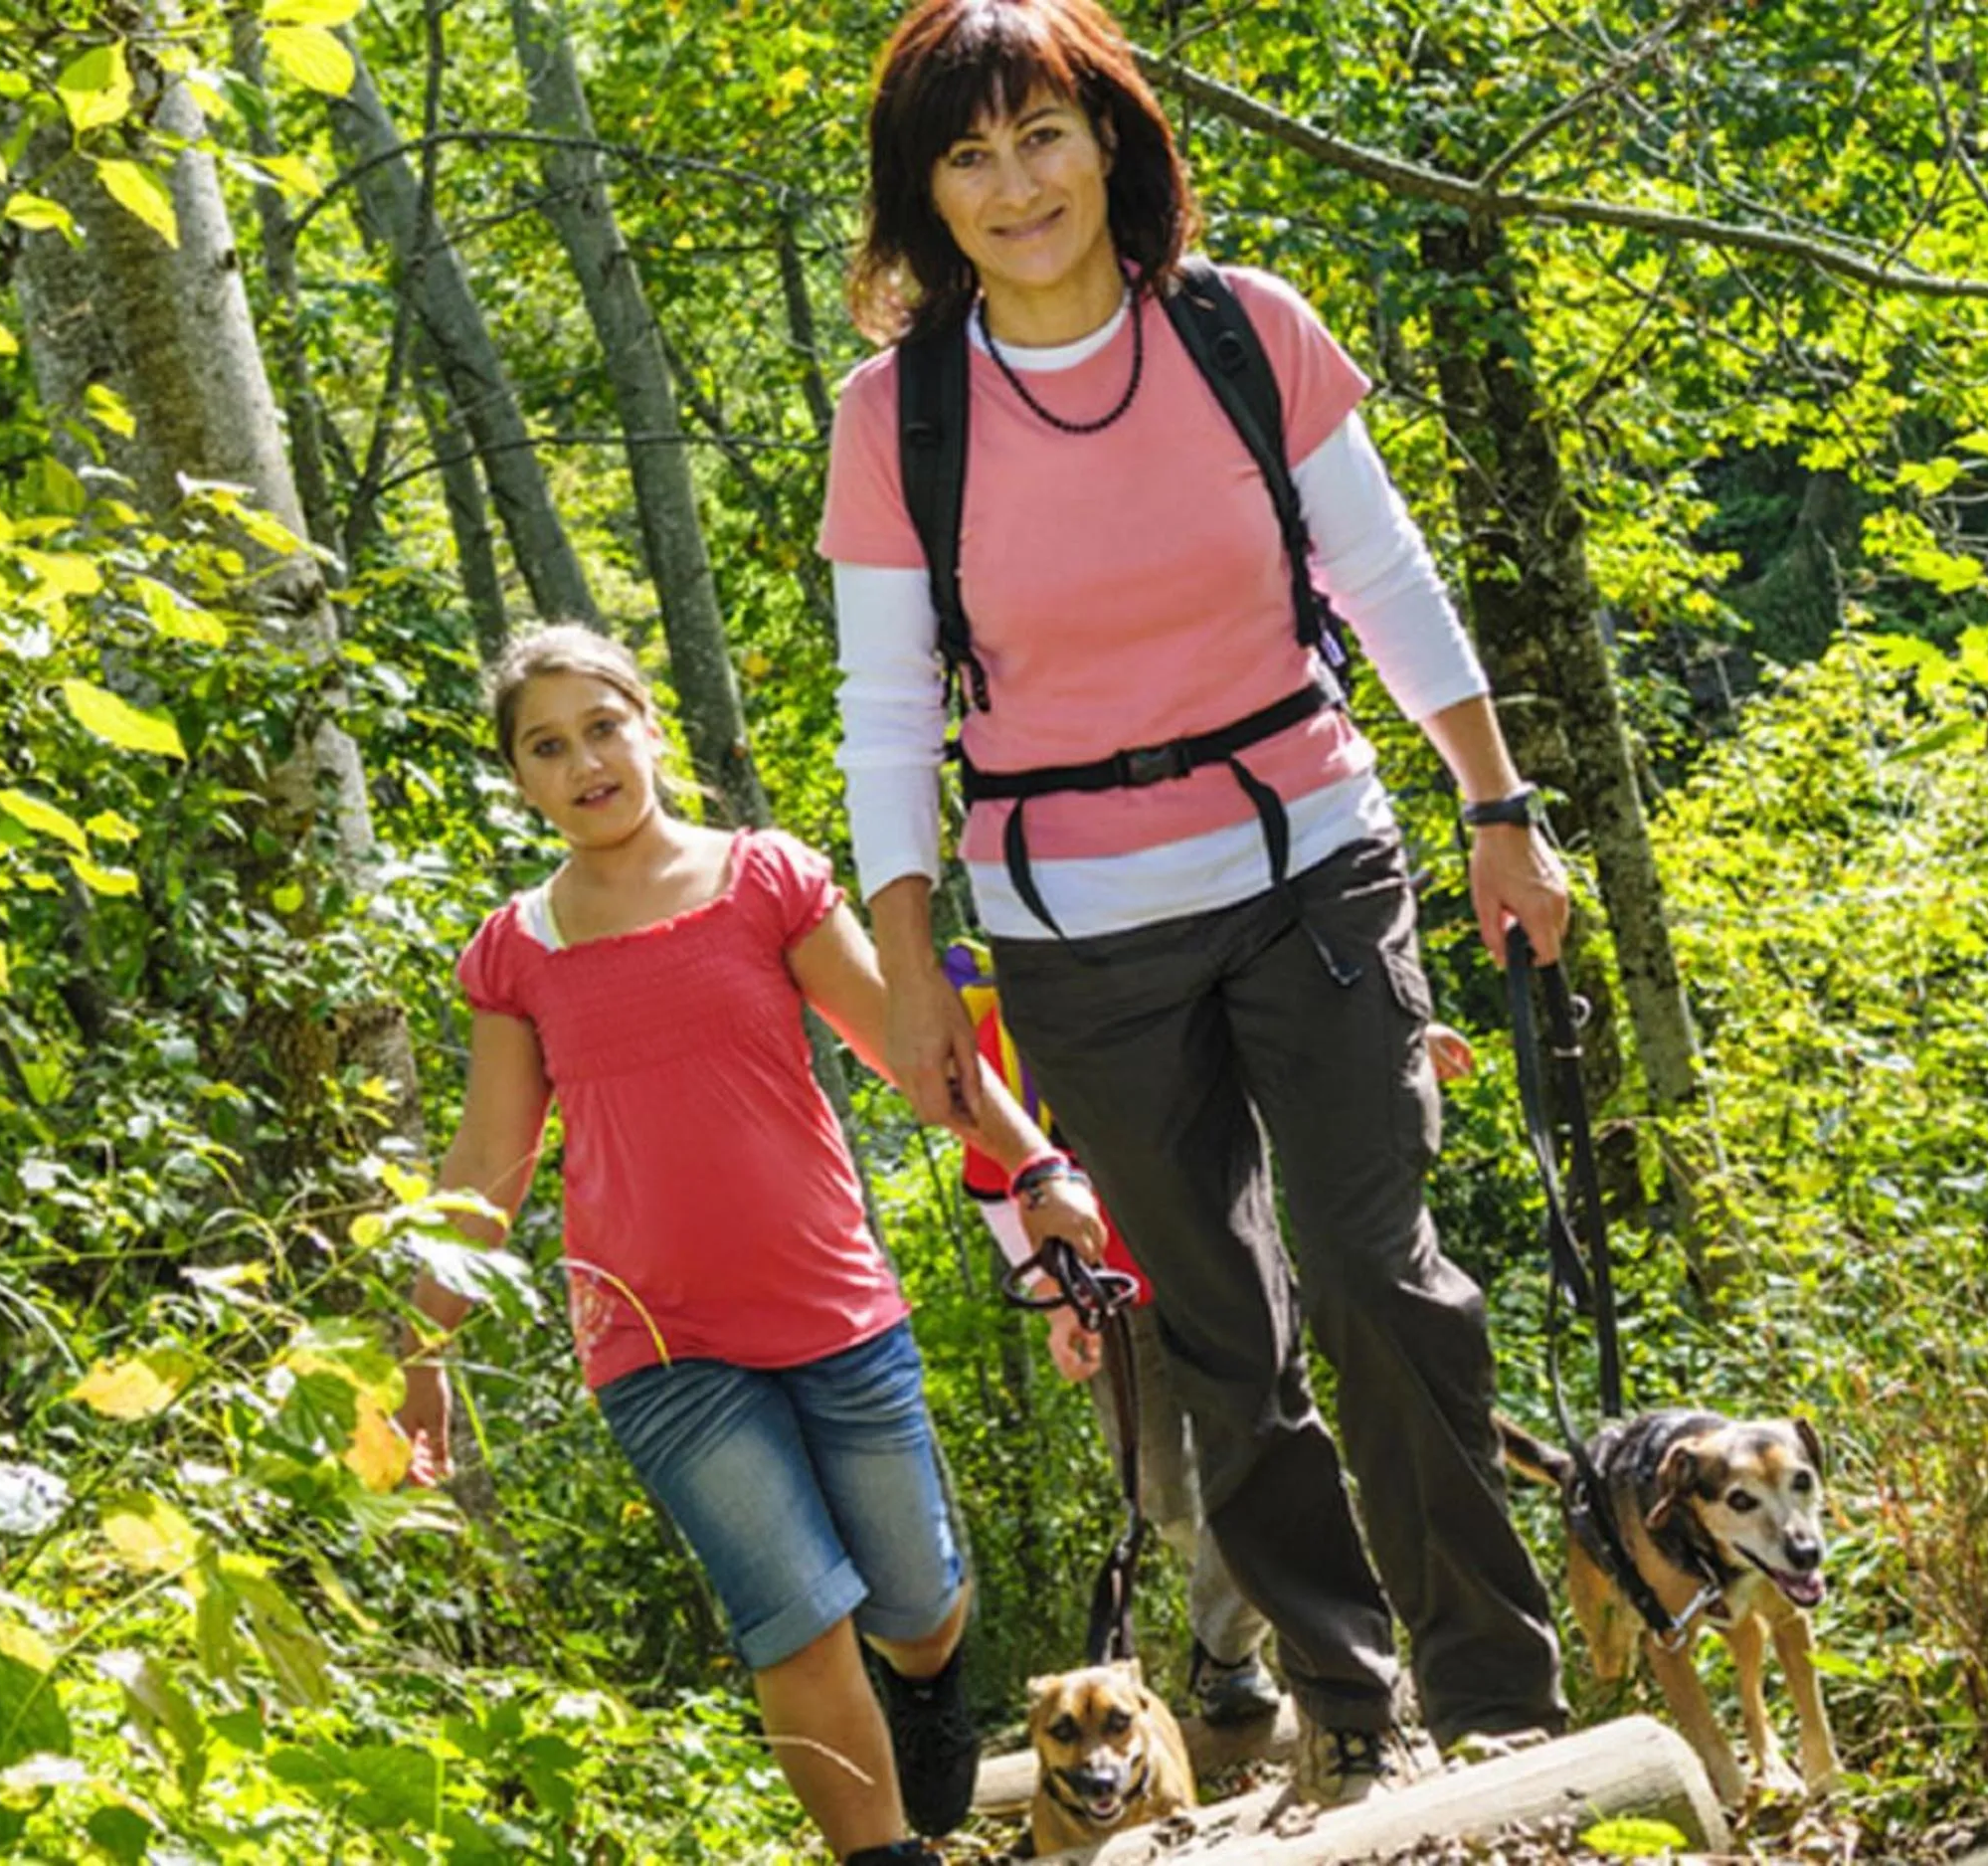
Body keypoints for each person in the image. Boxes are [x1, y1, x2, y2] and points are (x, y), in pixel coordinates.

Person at [817, 0, 1575, 1808]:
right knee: (1220, 1335)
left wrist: (1495, 805)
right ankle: (1351, 1702)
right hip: (1071, 935)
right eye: (967, 154)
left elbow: (1380, 578)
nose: (1015, 186)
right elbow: (885, 706)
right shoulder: (895, 416)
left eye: (1043, 136)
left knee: (1378, 1274)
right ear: (923, 194)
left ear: (1111, 139)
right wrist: (912, 962)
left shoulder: (1243, 333)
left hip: (1309, 865)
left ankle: (1495, 1697)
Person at [392, 624, 1105, 1866]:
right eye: (546, 747)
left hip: (836, 1306)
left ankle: (930, 1684)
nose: (584, 762)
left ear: (648, 726)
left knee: (913, 1602)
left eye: (602, 727)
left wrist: (1037, 1164)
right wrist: (420, 1350)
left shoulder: (762, 880)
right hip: (653, 1342)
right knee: (794, 1617)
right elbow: (484, 1173)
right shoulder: (517, 953)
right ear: (520, 779)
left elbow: (911, 1049)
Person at [945, 939, 1280, 1728]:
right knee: (1164, 1498)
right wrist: (1057, 1303)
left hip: (1218, 1262)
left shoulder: (1180, 957)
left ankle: (1233, 1652)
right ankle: (1241, 1631)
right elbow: (995, 1186)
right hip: (1112, 1296)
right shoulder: (1003, 1034)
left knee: (1264, 1458)